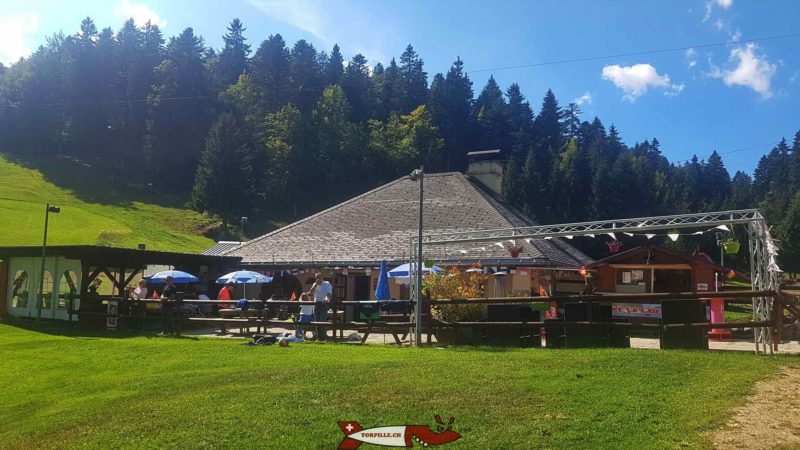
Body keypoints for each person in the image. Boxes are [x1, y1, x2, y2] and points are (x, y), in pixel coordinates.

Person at [308, 273, 333, 340]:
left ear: (322, 277)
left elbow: (329, 294)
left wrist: (326, 299)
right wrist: (315, 284)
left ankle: (324, 337)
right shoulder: (314, 284)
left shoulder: (327, 284)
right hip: (316, 304)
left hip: (323, 304)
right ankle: (319, 338)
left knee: (322, 321)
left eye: (319, 277)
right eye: (316, 277)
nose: (317, 279)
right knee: (317, 322)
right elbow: (310, 293)